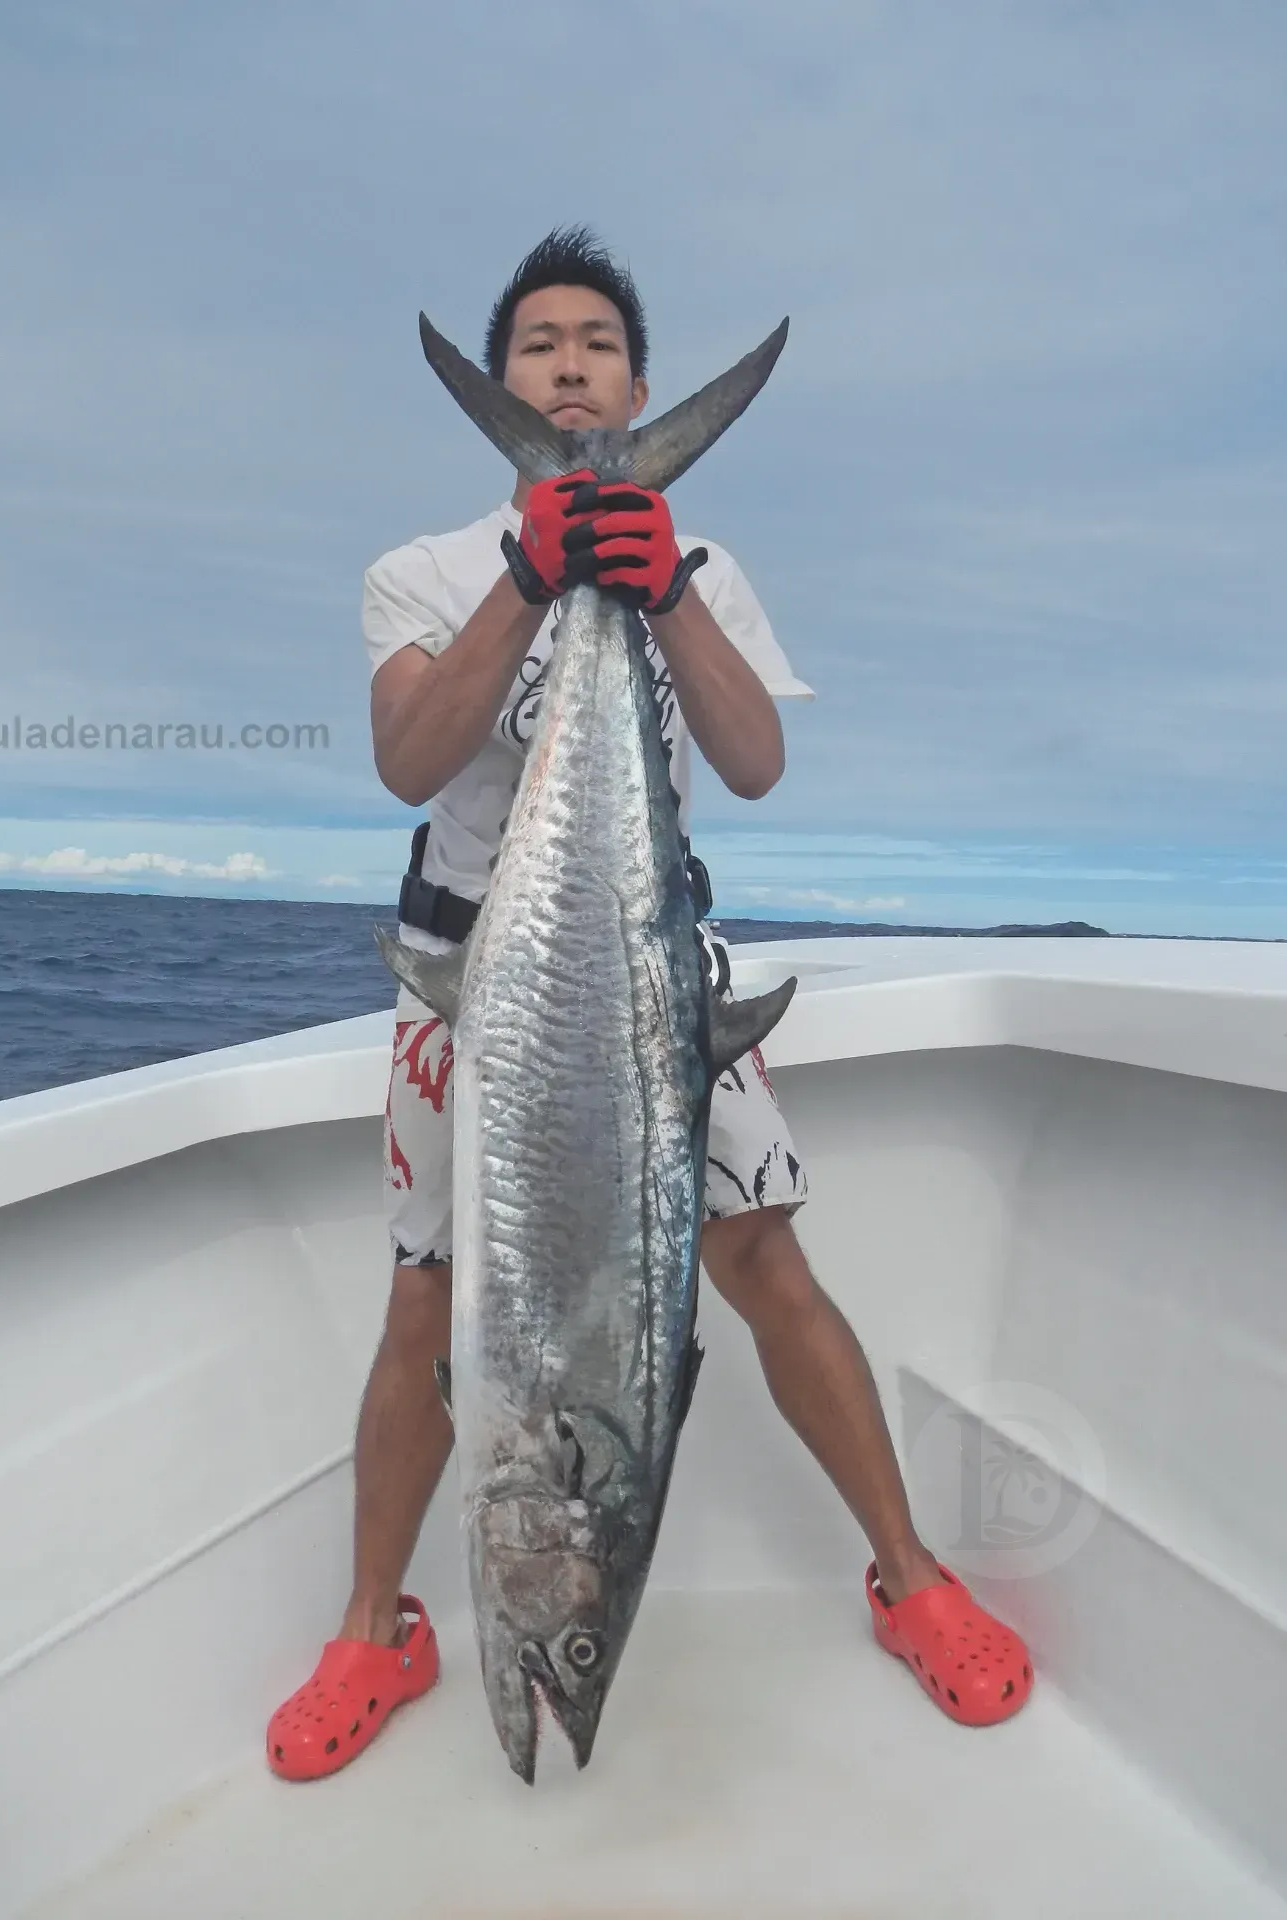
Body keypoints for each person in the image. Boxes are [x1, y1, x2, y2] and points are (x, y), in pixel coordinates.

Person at [266, 228, 1034, 1781]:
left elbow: (753, 761)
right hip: (472, 981)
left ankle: (911, 1577)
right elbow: (410, 761)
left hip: (646, 974)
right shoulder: (419, 573)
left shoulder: (706, 570)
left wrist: (658, 583)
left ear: (636, 384)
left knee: (766, 1260)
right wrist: (528, 574)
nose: (569, 365)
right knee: (428, 1304)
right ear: (503, 378)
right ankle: (371, 1628)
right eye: (539, 345)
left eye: (598, 344)